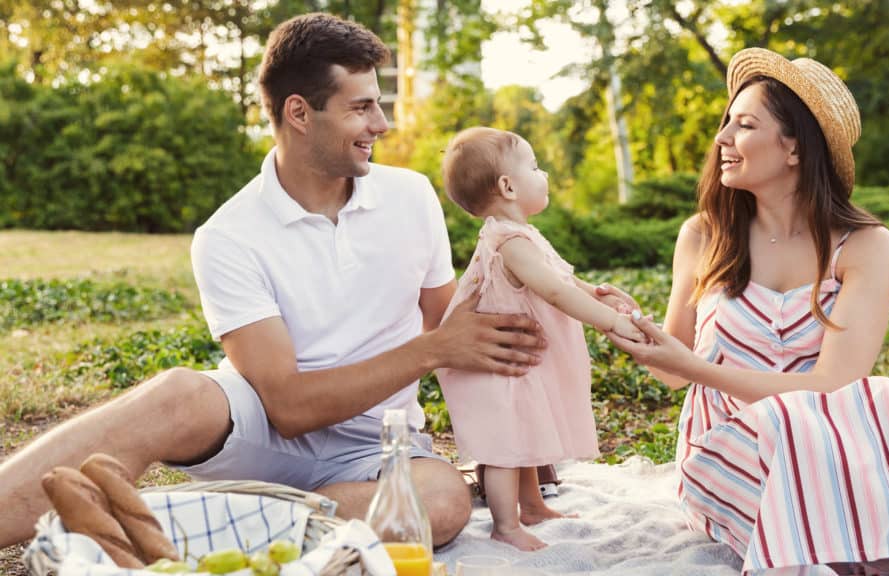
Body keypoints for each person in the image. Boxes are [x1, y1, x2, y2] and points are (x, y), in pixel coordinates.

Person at [0, 13, 554, 550]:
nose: (381, 125)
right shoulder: (228, 235)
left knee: (442, 501)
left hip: (377, 445)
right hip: (263, 433)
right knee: (178, 394)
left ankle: (208, 520)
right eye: (361, 108)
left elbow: (460, 329)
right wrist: (432, 349)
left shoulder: (411, 197)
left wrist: (520, 429)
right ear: (299, 112)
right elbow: (287, 407)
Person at [606, 47, 889, 575]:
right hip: (732, 457)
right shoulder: (703, 236)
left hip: (842, 446)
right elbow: (671, 370)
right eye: (726, 123)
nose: (722, 139)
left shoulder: (866, 246)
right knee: (842, 441)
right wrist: (625, 324)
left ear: (795, 148)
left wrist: (696, 368)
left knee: (885, 405)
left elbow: (834, 386)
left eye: (744, 124)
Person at [436, 127, 645, 551]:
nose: (543, 172)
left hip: (519, 360)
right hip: (497, 363)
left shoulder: (522, 235)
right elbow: (554, 292)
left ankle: (531, 506)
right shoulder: (509, 242)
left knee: (523, 433)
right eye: (534, 166)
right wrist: (610, 322)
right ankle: (505, 525)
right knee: (503, 445)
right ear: (508, 186)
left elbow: (562, 279)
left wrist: (597, 293)